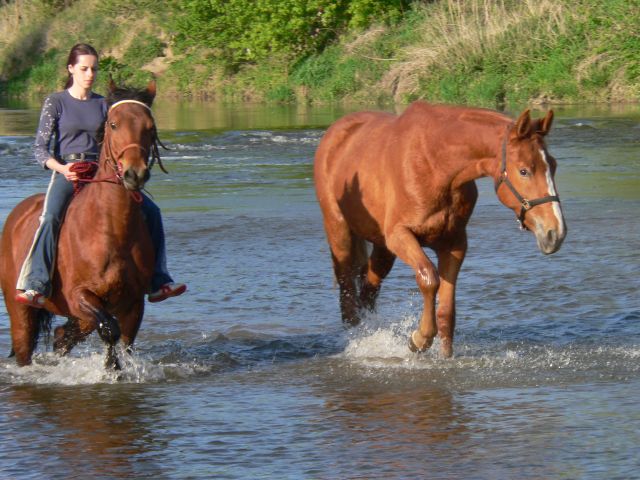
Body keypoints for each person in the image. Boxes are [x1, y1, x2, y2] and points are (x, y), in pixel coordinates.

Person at [15, 43, 186, 307]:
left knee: (152, 212)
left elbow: (119, 135)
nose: (89, 74)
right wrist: (61, 168)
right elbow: (39, 148)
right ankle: (36, 283)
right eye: (84, 68)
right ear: (71, 69)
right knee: (49, 216)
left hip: (104, 172)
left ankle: (158, 280)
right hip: (67, 172)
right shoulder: (56, 102)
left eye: (93, 69)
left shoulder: (105, 105)